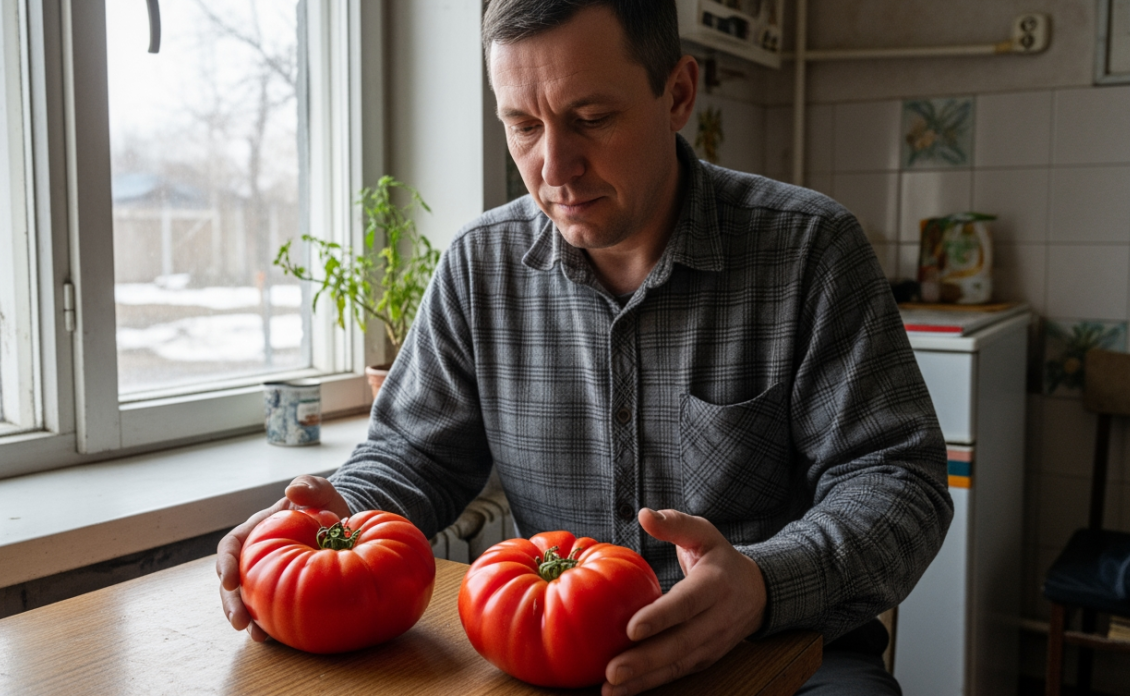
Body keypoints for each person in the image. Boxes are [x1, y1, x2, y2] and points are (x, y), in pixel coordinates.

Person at [216, 2, 953, 694]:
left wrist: (761, 583)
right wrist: (327, 524)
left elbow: (896, 480)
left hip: (781, 644)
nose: (554, 168)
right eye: (523, 126)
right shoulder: (480, 265)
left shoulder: (810, 250)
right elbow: (416, 454)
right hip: (556, 657)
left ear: (677, 93)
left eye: (591, 118)